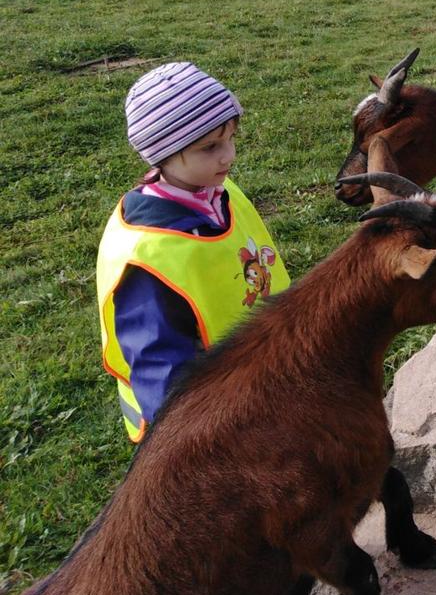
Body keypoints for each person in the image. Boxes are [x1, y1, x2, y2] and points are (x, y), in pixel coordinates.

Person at [96, 61, 290, 441]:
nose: (228, 156)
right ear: (163, 154)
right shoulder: (148, 256)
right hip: (214, 424)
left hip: (259, 382)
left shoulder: (221, 194)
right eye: (210, 147)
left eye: (231, 137)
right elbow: (161, 372)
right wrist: (196, 440)